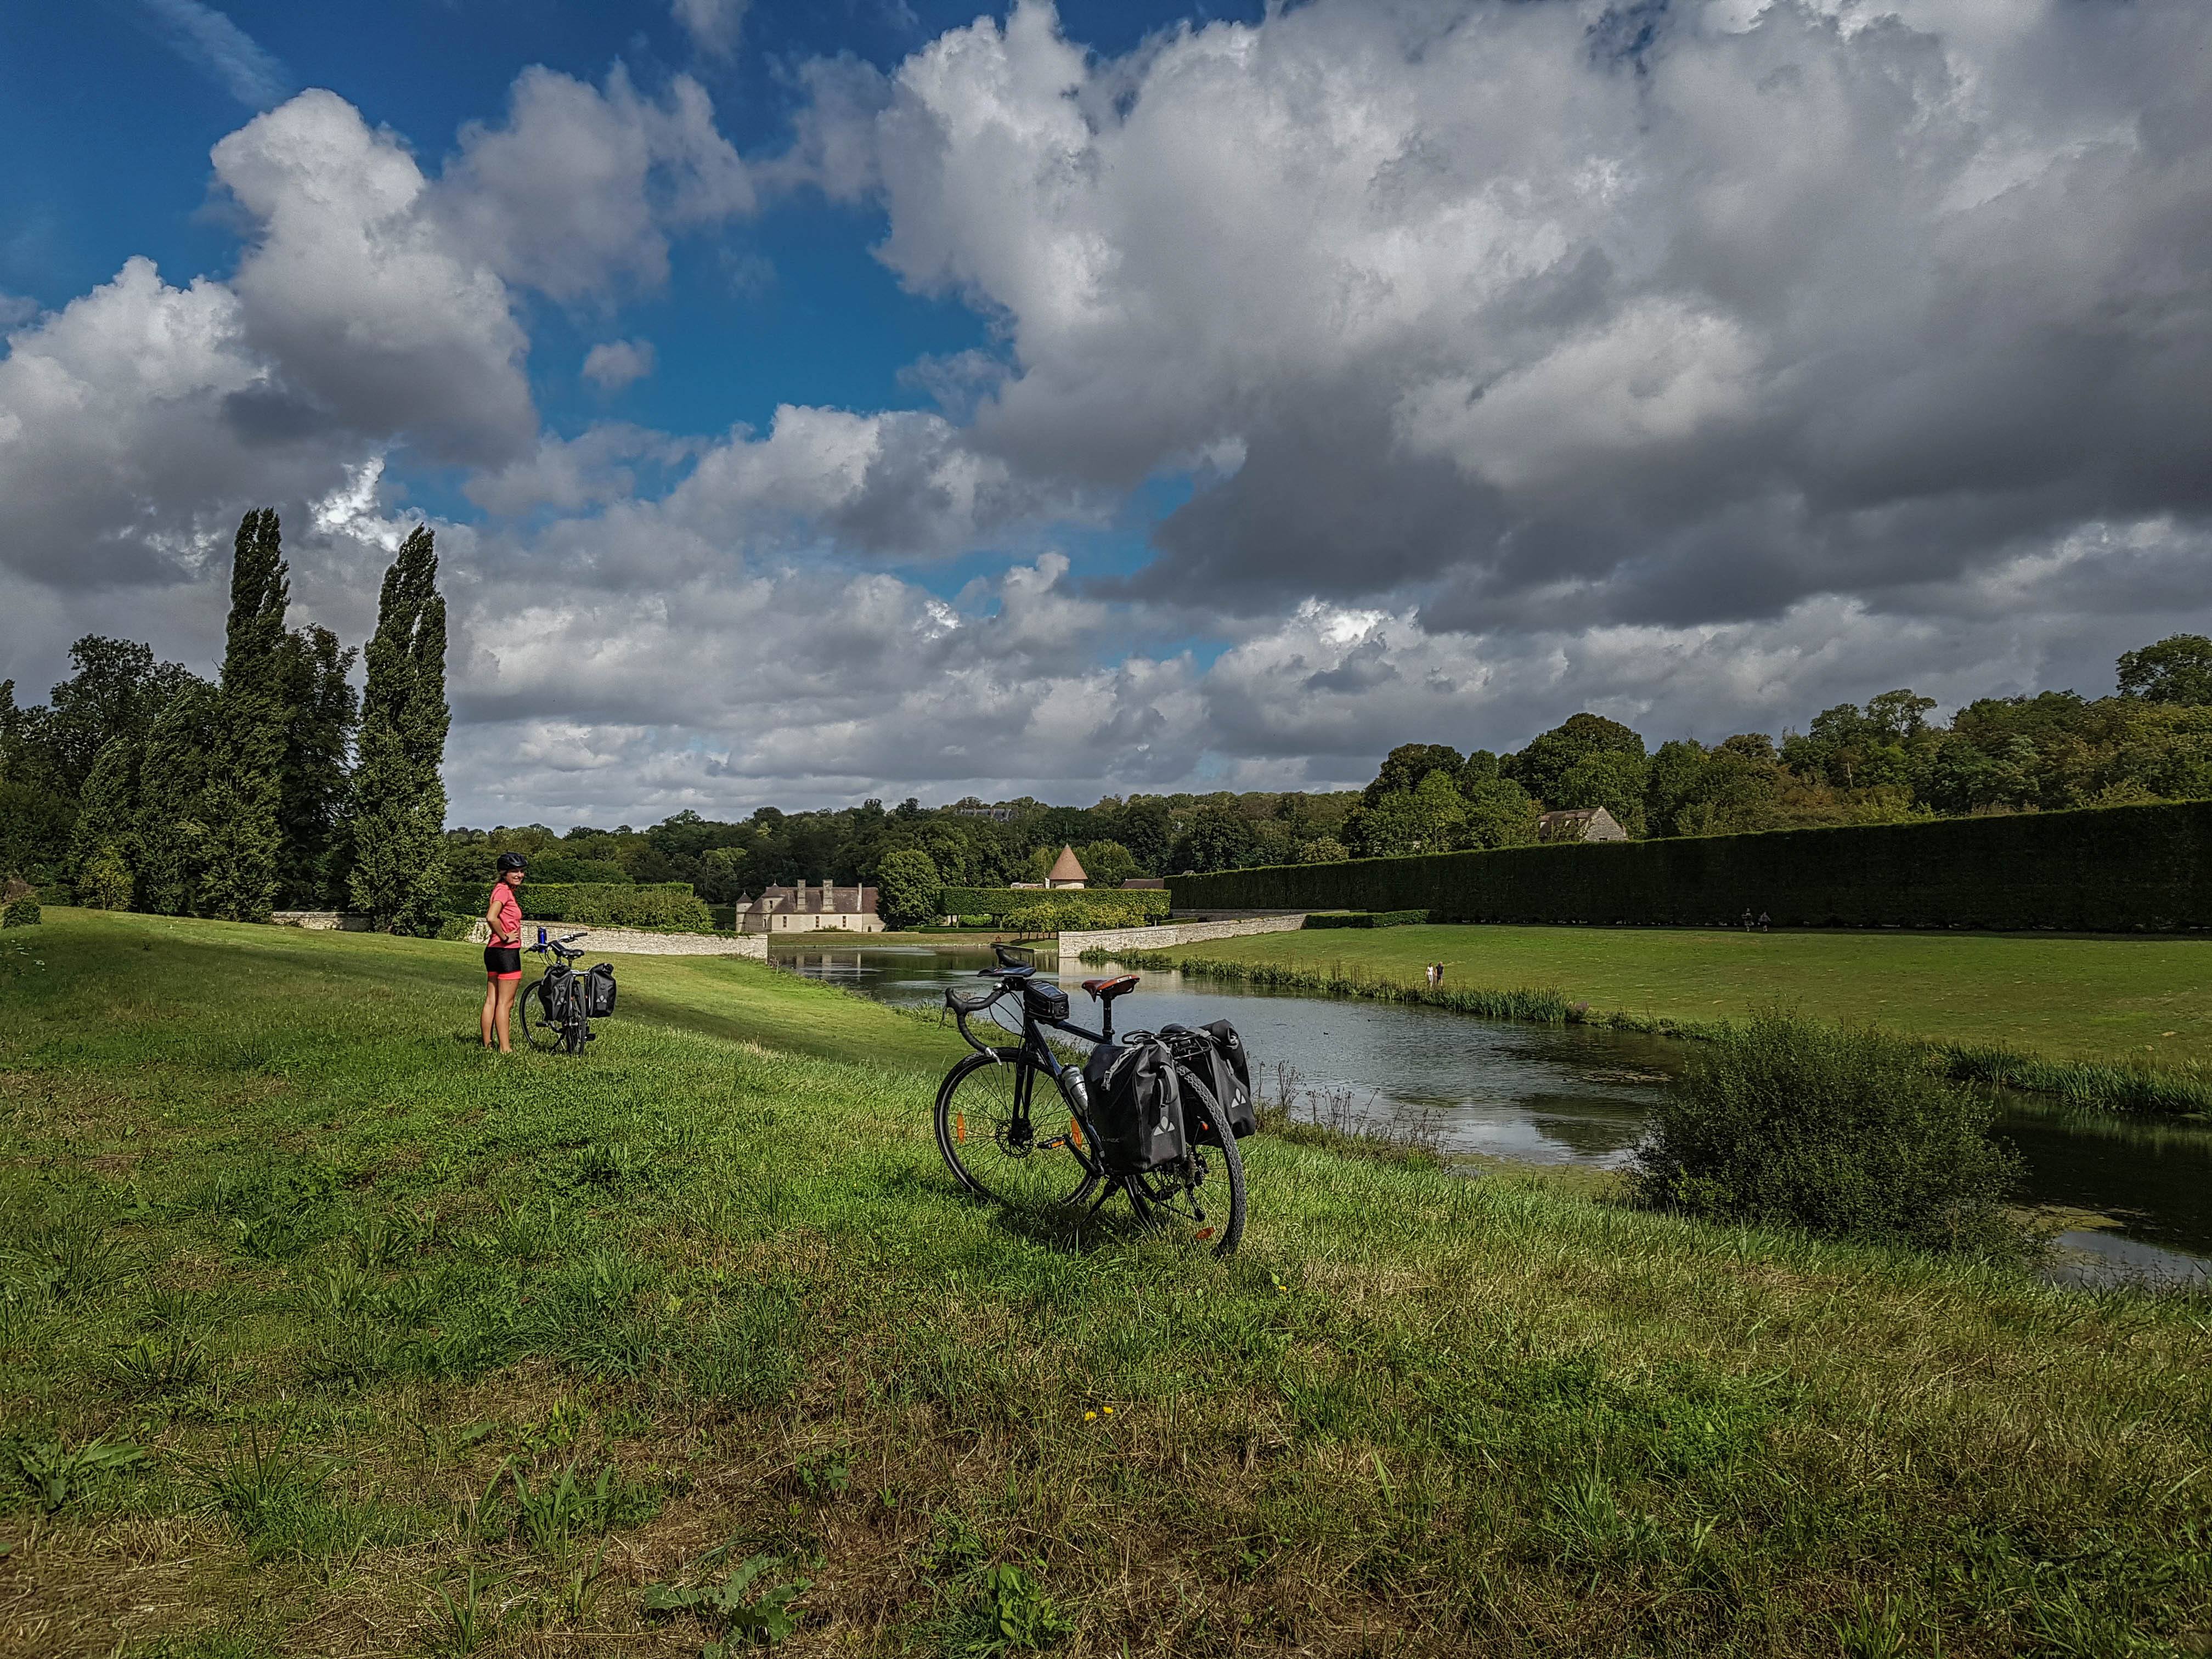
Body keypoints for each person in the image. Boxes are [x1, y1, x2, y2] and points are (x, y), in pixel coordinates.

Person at [481, 853, 527, 1052]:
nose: (520, 875)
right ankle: (505, 1049)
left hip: (492, 952)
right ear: (503, 873)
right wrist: (505, 936)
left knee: (492, 999)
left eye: (522, 871)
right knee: (505, 1003)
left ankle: (488, 1044)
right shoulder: (503, 892)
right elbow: (491, 917)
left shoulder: (501, 890)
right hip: (506, 952)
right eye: (514, 871)